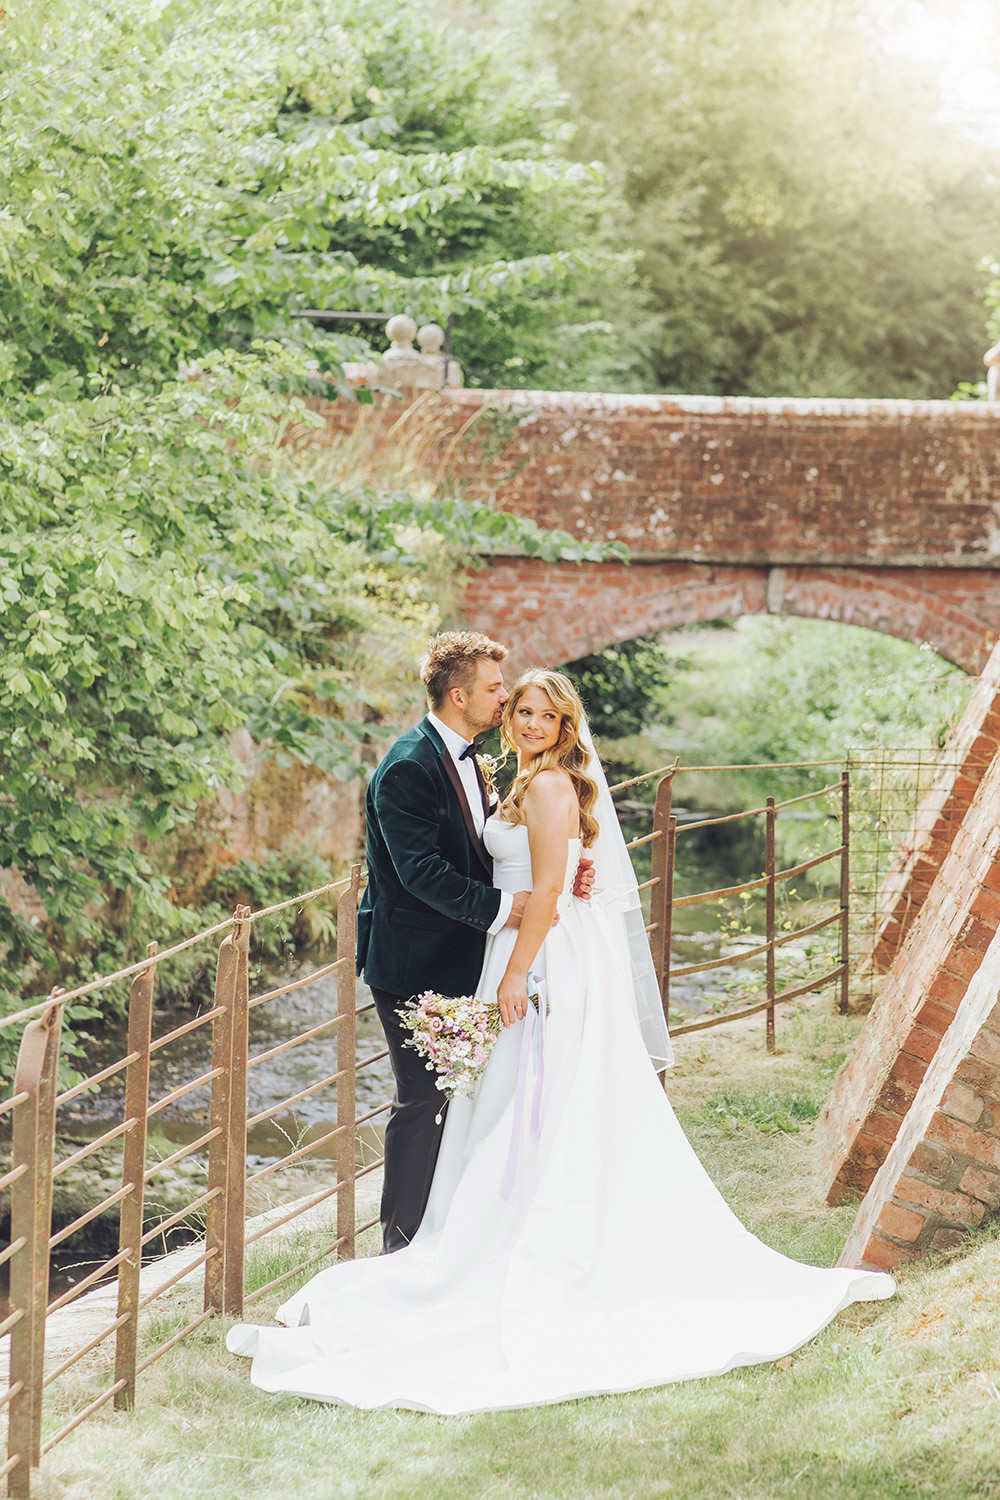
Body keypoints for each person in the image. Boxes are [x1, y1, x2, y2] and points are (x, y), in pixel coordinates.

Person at [228, 669, 895, 1412]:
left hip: (538, 959)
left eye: (546, 713)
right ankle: (481, 1227)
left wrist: (515, 977)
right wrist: (547, 893)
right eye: (521, 708)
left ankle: (520, 1235)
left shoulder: (546, 786)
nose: (532, 720)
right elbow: (536, 872)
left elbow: (544, 894)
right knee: (510, 1097)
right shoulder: (518, 773)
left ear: (566, 722)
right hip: (528, 945)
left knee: (528, 1097)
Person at [354, 631, 591, 1252]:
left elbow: (491, 847)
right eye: (494, 688)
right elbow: (418, 872)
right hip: (415, 963)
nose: (505, 696)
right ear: (460, 696)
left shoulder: (477, 756)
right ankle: (401, 1244)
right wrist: (512, 906)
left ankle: (460, 1231)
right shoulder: (408, 765)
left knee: (471, 1099)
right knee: (423, 1101)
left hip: (472, 956)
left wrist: (563, 871)